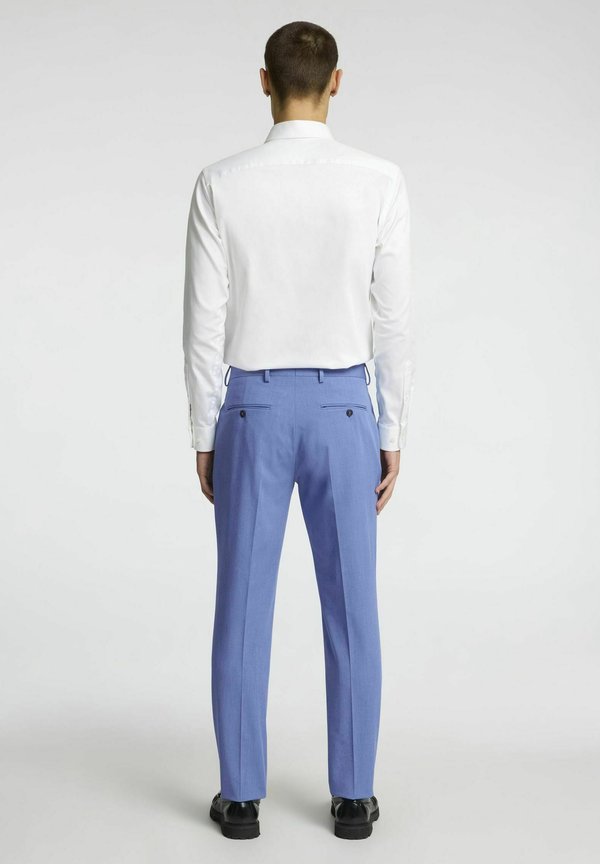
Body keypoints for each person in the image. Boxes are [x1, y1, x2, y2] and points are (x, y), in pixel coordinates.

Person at [182, 20, 414, 841]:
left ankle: (241, 800)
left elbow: (203, 324)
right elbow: (394, 321)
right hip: (346, 409)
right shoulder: (379, 180)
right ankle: (353, 800)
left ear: (264, 80)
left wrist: (204, 431)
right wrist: (393, 429)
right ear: (337, 82)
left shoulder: (221, 183)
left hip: (250, 408)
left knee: (242, 606)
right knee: (354, 607)